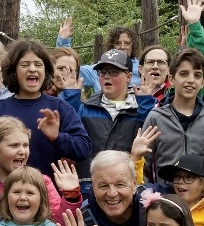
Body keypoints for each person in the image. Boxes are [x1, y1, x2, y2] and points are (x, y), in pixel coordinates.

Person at [0, 39, 91, 174]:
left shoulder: (60, 108)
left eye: (38, 64)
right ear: (13, 71)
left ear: (46, 70)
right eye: (25, 64)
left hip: (49, 186)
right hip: (5, 186)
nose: (33, 69)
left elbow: (83, 149)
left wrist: (57, 137)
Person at [62, 48, 157, 179]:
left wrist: (145, 103)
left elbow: (150, 139)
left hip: (126, 183)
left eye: (113, 72)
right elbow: (67, 133)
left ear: (129, 77)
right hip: (88, 184)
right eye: (102, 72)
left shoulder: (139, 109)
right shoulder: (85, 108)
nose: (106, 76)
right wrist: (71, 97)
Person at [141, 48, 204, 185]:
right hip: (165, 194)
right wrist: (145, 192)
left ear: (203, 82)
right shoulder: (156, 117)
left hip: (201, 195)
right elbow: (144, 161)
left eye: (197, 75)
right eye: (184, 74)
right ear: (171, 79)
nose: (191, 80)